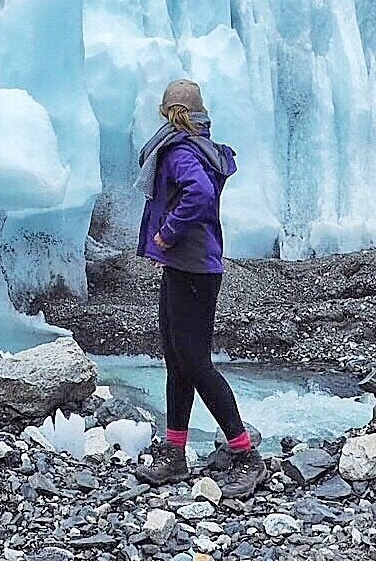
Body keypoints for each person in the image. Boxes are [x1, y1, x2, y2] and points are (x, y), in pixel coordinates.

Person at [131, 79, 267, 497]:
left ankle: (245, 454)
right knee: (177, 357)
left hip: (192, 268)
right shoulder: (197, 147)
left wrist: (168, 234)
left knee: (194, 362)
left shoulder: (180, 151)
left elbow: (199, 193)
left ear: (170, 113)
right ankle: (174, 452)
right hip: (187, 268)